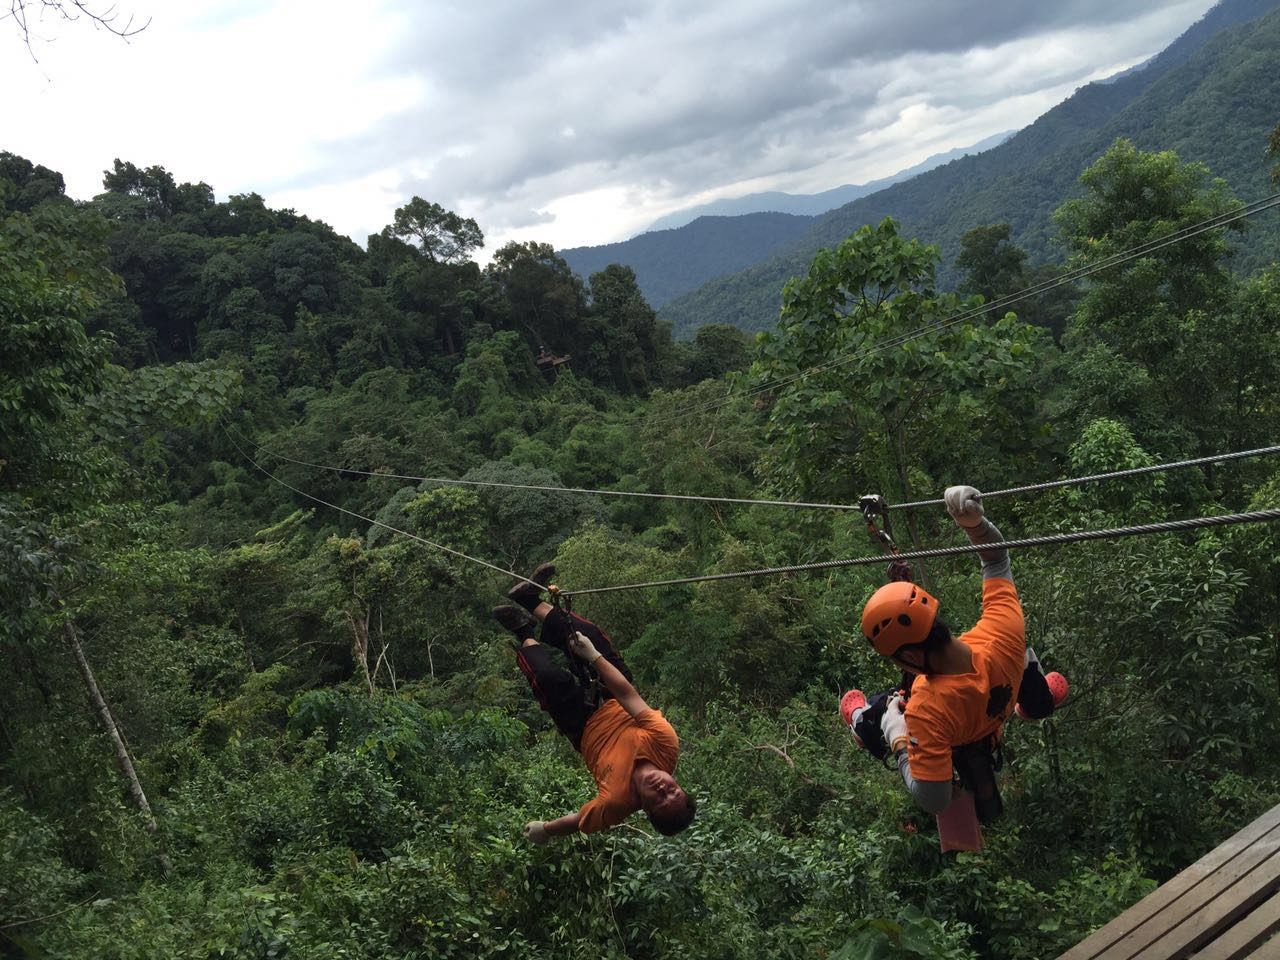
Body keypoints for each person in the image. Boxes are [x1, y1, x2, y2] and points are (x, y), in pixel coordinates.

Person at [839, 485, 1067, 817]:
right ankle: (1037, 701)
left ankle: (861, 723)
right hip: (998, 699)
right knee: (1023, 658)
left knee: (885, 707)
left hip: (958, 732)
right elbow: (996, 559)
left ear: (911, 658)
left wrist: (898, 737)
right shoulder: (1002, 630)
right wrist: (975, 524)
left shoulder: (926, 710)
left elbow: (934, 799)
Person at [492, 563, 696, 843]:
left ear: (647, 809)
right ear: (678, 784)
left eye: (660, 800)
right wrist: (593, 657)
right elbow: (628, 696)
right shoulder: (665, 745)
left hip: (582, 727)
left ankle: (523, 629)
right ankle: (529, 599)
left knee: (548, 678)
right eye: (673, 791)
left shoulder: (616, 803)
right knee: (586, 636)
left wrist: (546, 829)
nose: (663, 789)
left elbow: (580, 820)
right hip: (613, 698)